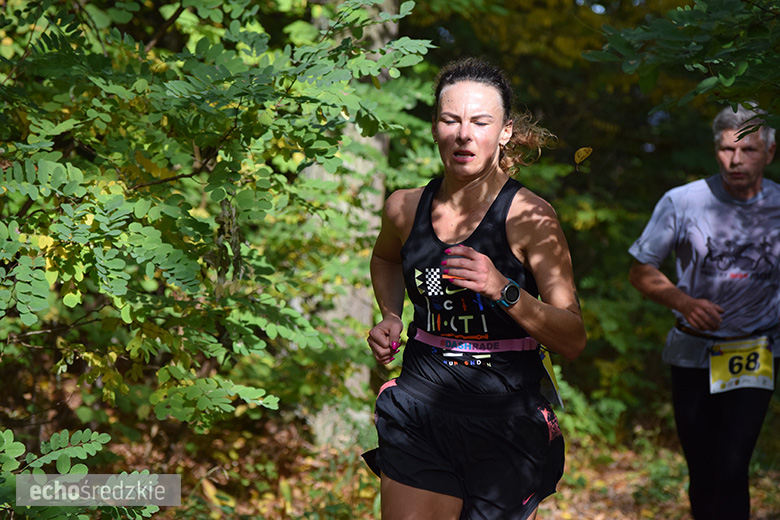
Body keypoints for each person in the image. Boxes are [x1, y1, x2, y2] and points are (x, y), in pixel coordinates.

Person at [363, 57, 587, 520]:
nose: (464, 134)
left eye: (480, 121)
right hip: (420, 406)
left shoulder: (531, 217)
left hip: (505, 418)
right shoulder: (404, 208)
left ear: (504, 131)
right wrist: (390, 314)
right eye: (451, 119)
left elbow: (572, 337)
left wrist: (502, 288)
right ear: (435, 127)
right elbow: (385, 257)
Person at [628, 104, 779, 520]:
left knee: (733, 466)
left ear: (769, 152)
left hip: (755, 350)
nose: (735, 160)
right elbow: (641, 270)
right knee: (703, 468)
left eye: (747, 150)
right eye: (726, 149)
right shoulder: (683, 201)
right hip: (693, 352)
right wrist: (684, 302)